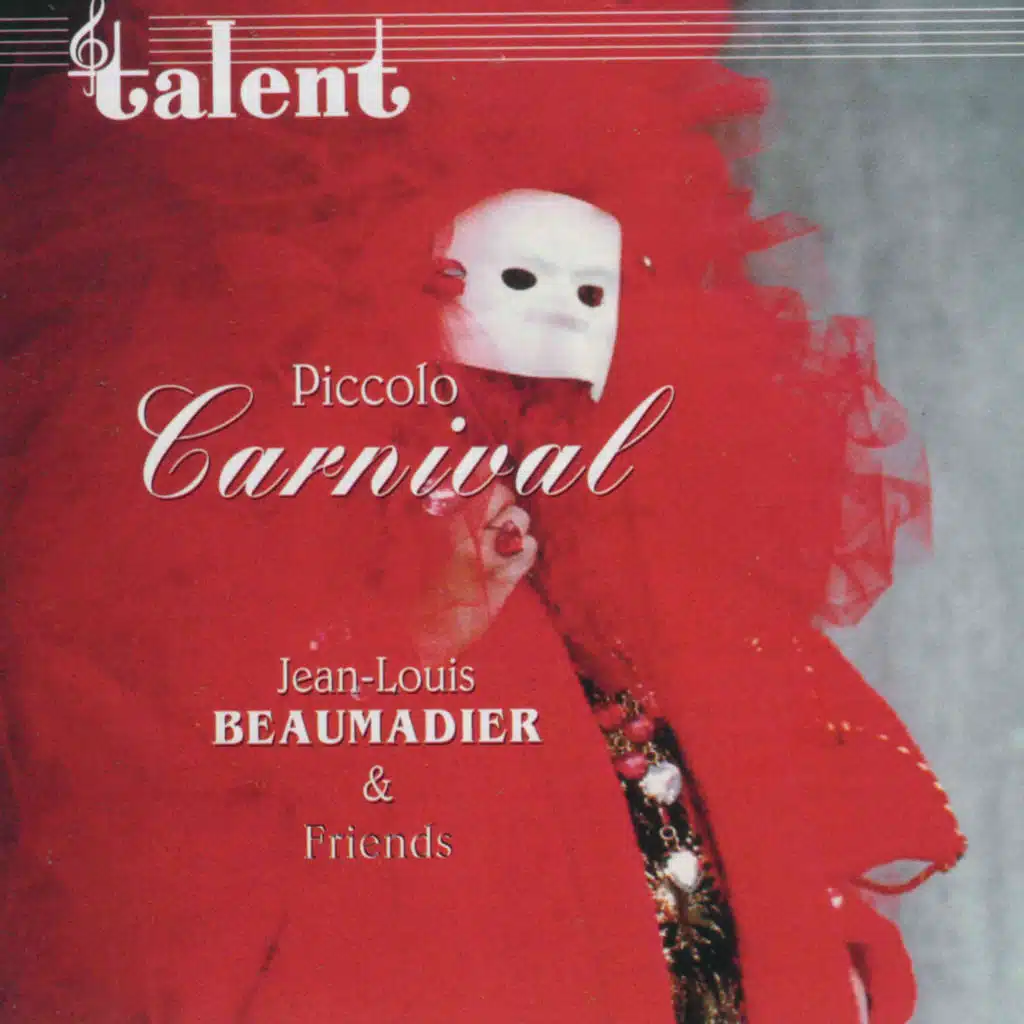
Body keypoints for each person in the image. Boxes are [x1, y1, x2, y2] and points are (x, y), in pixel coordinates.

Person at [0, 1, 965, 1021]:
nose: (559, 314)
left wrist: (816, 939)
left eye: (592, 286)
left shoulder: (634, 519)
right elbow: (199, 840)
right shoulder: (265, 504)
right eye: (515, 273)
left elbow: (766, 777)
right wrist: (408, 643)